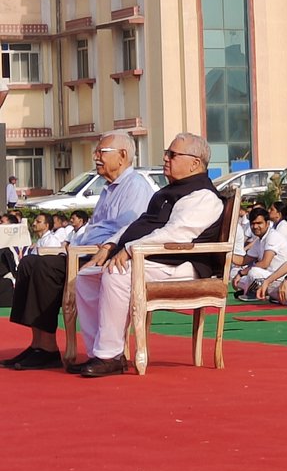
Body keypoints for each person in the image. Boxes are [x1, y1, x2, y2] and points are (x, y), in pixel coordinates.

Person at [72, 133, 225, 377]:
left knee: (116, 273)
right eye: (167, 152)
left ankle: (108, 355)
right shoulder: (169, 191)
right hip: (153, 257)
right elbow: (141, 223)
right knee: (86, 277)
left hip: (183, 264)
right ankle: (98, 352)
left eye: (172, 155)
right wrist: (110, 245)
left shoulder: (203, 196)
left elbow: (177, 234)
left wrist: (131, 249)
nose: (165, 158)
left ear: (195, 163)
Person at [232, 207, 287, 299]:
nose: (255, 227)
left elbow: (264, 263)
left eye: (259, 223)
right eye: (253, 224)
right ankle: (257, 290)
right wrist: (225, 254)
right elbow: (242, 261)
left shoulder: (273, 236)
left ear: (267, 223)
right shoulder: (260, 239)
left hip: (281, 277)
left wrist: (242, 273)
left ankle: (256, 293)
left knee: (253, 272)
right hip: (268, 275)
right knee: (235, 275)